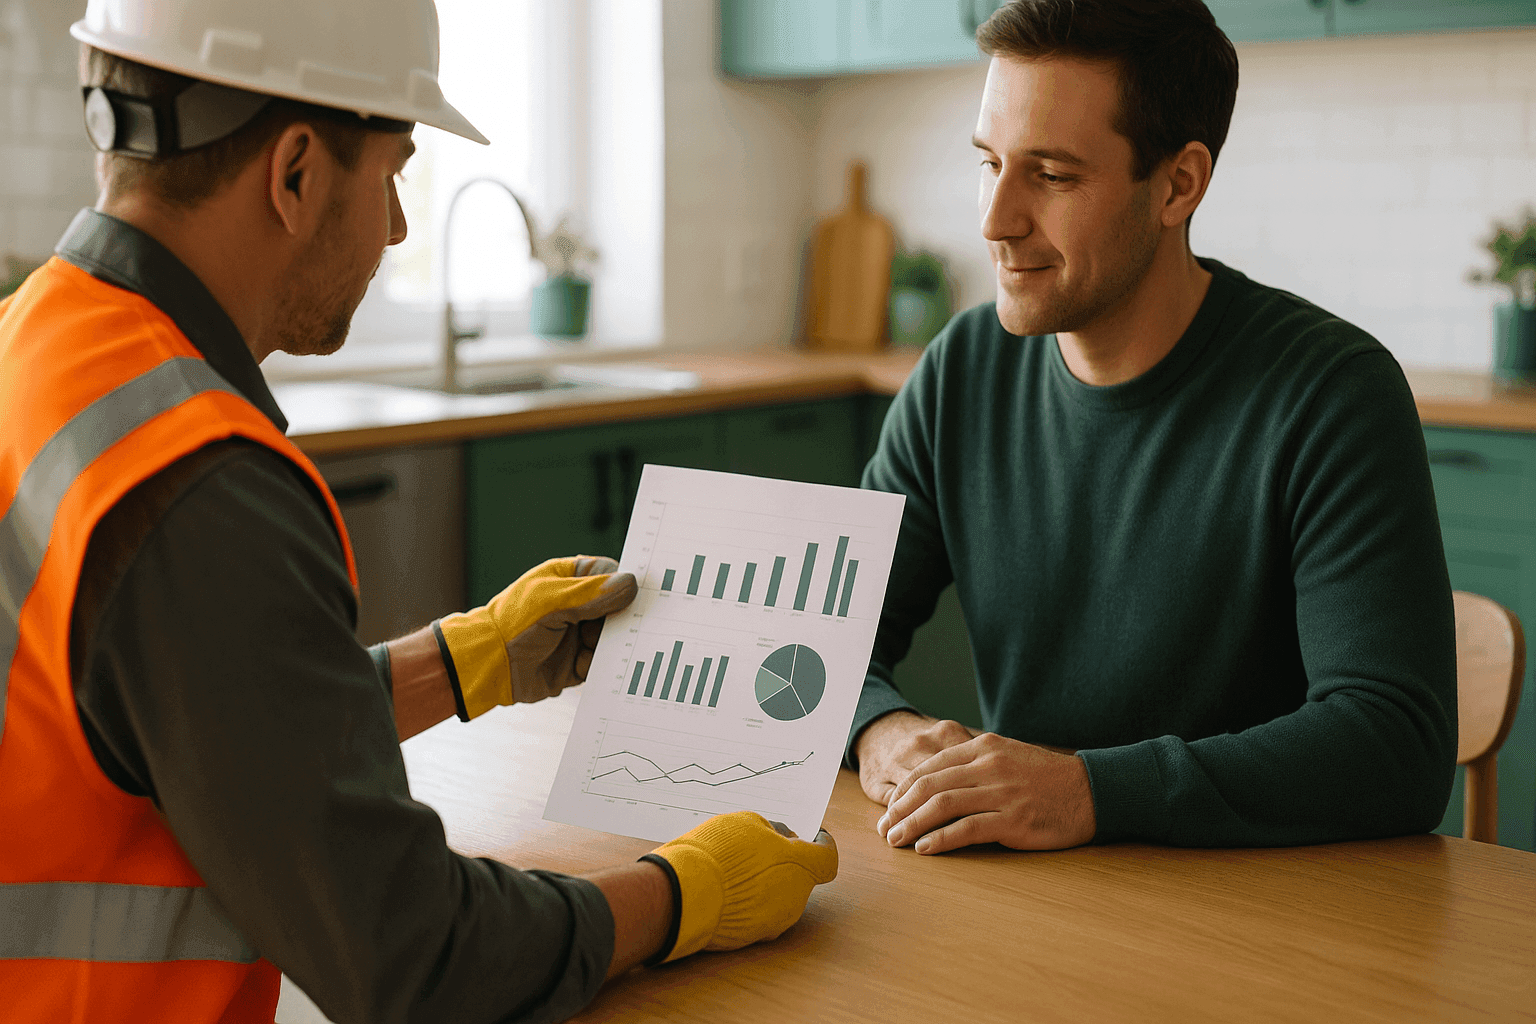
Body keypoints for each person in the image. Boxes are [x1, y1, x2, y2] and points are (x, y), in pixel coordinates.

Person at [0, 1, 835, 1022]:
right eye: (392, 173)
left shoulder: (38, 341)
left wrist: (462, 659)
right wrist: (681, 895)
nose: (397, 226)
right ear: (297, 171)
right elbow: (416, 954)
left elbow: (200, 720)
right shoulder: (194, 481)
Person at [851, 0, 1457, 854]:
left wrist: (1086, 790)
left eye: (1053, 176)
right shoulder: (961, 370)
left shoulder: (1331, 392)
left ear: (1179, 184)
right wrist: (880, 727)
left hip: (1270, 916)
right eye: (991, 163)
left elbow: (1397, 745)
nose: (996, 220)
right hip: (1034, 900)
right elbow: (823, 638)